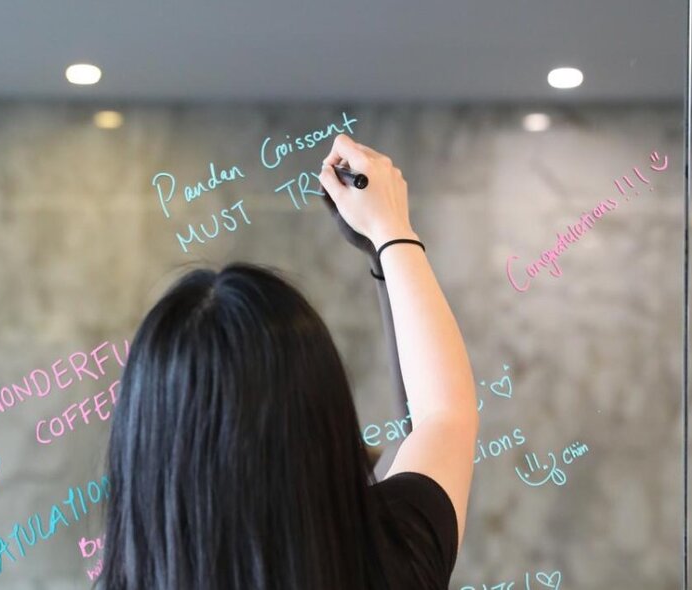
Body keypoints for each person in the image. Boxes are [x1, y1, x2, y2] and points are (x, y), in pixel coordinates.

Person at [98, 134, 479, 590]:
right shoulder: (391, 562)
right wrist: (390, 232)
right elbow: (444, 416)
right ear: (324, 419)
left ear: (140, 442)